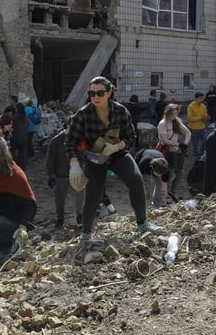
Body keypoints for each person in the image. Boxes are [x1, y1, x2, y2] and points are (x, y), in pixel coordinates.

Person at [64, 76, 160, 240]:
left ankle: (143, 224)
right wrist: (74, 164)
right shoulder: (83, 114)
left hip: (118, 154)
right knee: (93, 196)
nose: (95, 97)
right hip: (94, 158)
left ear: (109, 93)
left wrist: (116, 147)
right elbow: (70, 141)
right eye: (92, 93)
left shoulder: (121, 111)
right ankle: (86, 234)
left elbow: (131, 137)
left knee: (136, 180)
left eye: (100, 93)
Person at [46, 115, 84, 228]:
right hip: (61, 174)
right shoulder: (57, 140)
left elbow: (84, 156)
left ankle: (80, 216)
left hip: (76, 172)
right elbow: (50, 159)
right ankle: (60, 218)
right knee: (60, 198)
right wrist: (51, 175)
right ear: (68, 125)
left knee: (81, 195)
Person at [157, 103, 191, 201]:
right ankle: (165, 194)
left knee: (180, 172)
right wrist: (178, 144)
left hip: (177, 151)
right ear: (167, 113)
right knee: (169, 173)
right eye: (172, 114)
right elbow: (164, 140)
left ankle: (173, 191)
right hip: (167, 151)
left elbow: (188, 133)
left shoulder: (177, 122)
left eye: (176, 113)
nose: (174, 116)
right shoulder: (162, 124)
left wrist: (184, 144)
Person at [187, 92, 209, 160]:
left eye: (202, 98)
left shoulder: (203, 106)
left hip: (202, 127)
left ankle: (202, 154)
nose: (202, 100)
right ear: (196, 98)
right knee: (195, 144)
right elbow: (190, 118)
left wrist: (206, 118)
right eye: (200, 98)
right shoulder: (191, 106)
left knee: (206, 140)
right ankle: (196, 156)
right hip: (193, 128)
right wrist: (201, 118)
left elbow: (204, 115)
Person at [10, 102, 29, 169]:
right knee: (22, 153)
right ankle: (22, 167)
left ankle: (14, 166)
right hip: (24, 137)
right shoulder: (25, 117)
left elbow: (13, 127)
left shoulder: (15, 117)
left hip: (16, 137)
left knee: (12, 152)